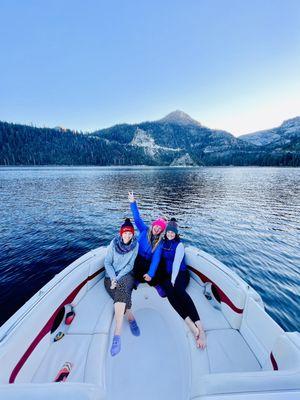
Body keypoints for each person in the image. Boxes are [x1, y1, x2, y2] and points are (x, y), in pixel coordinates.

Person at [159, 218, 206, 349]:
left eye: (173, 233)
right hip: (168, 275)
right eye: (169, 232)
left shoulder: (179, 245)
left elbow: (176, 264)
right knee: (169, 293)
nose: (170, 234)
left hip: (181, 273)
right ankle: (189, 323)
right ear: (166, 232)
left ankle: (200, 329)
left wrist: (173, 280)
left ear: (176, 233)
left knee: (179, 292)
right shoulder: (163, 243)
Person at [104, 218, 140, 356]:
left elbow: (130, 266)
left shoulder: (134, 245)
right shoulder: (113, 244)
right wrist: (113, 278)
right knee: (121, 293)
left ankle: (117, 334)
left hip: (126, 275)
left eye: (130, 233)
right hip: (110, 276)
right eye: (125, 233)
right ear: (121, 233)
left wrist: (117, 278)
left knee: (123, 286)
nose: (127, 235)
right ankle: (130, 316)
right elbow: (107, 262)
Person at [128, 191, 166, 293]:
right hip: (137, 257)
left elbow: (156, 259)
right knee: (134, 269)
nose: (157, 229)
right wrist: (132, 202)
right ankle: (136, 280)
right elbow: (137, 218)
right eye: (157, 226)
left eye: (160, 229)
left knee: (155, 272)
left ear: (161, 231)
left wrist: (151, 274)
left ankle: (155, 284)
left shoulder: (160, 242)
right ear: (153, 225)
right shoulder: (144, 230)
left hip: (148, 261)